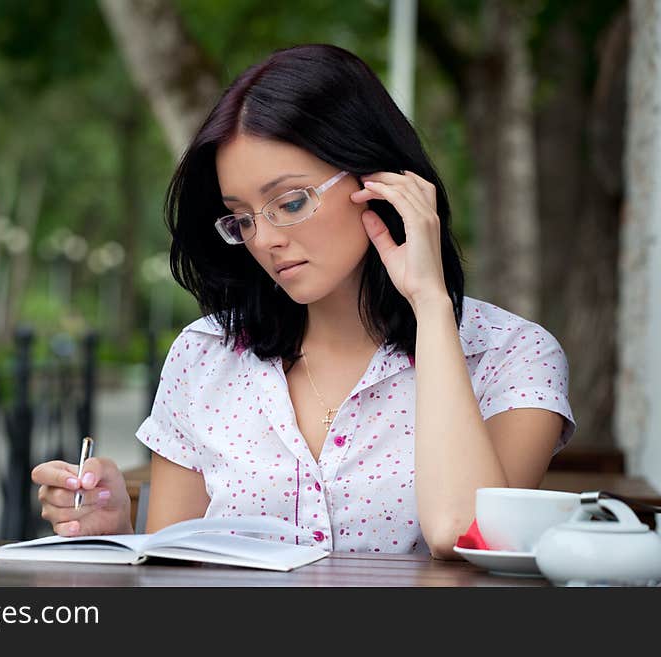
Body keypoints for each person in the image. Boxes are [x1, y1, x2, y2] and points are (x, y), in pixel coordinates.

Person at [31, 44, 575, 559]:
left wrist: (430, 303)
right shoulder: (205, 358)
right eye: (242, 218)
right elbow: (177, 568)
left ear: (378, 180)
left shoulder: (512, 357)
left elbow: (462, 533)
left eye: (289, 202)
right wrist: (115, 534)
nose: (264, 239)